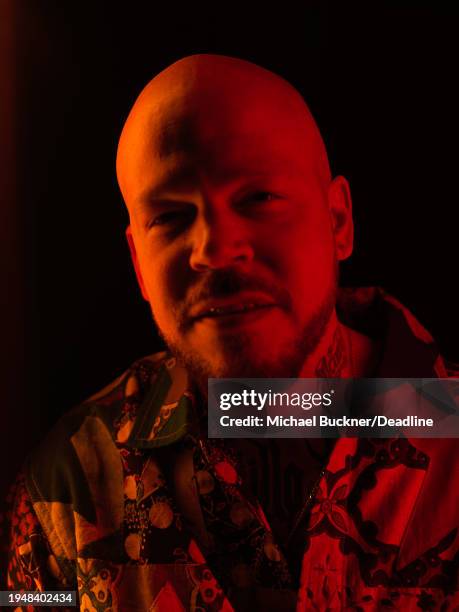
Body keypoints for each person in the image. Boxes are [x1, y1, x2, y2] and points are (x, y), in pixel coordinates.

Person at [5, 54, 459, 611]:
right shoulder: (66, 486)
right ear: (139, 264)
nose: (216, 251)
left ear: (338, 220)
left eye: (257, 198)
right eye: (170, 217)